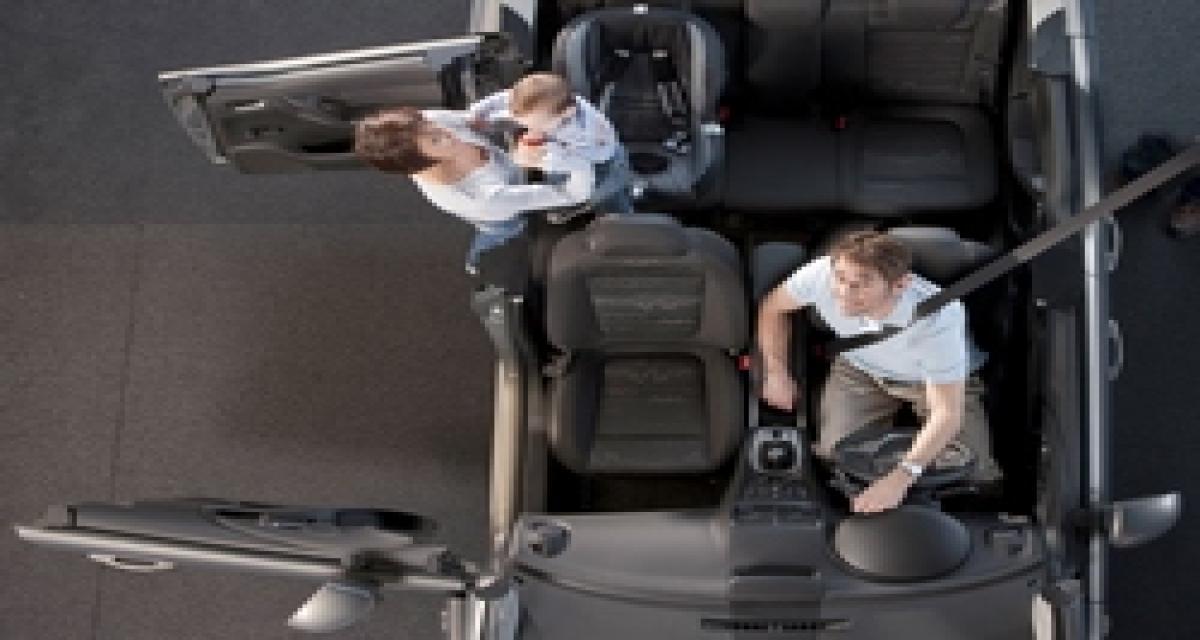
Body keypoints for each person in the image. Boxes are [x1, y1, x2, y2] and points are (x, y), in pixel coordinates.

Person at [757, 230, 1002, 514]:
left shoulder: (938, 318)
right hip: (860, 370)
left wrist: (901, 477)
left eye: (861, 284)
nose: (844, 292)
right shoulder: (820, 274)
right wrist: (776, 372)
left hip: (931, 381)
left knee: (975, 471)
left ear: (900, 285)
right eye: (840, 278)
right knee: (835, 457)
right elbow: (772, 308)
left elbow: (946, 412)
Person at [353, 105, 595, 275]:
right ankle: (479, 261)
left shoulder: (427, 125)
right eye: (435, 140)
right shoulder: (480, 197)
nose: (446, 132)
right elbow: (573, 194)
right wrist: (578, 161)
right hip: (500, 212)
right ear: (422, 163)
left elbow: (476, 119)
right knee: (504, 231)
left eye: (428, 124)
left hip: (514, 175)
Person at [468, 72, 633, 214]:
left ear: (567, 114)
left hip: (602, 162)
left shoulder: (580, 131)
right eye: (526, 124)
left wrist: (542, 159)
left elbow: (579, 163)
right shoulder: (553, 107)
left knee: (608, 199)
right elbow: (505, 98)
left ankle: (622, 220)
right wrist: (479, 112)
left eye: (536, 125)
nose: (531, 129)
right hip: (569, 146)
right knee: (558, 174)